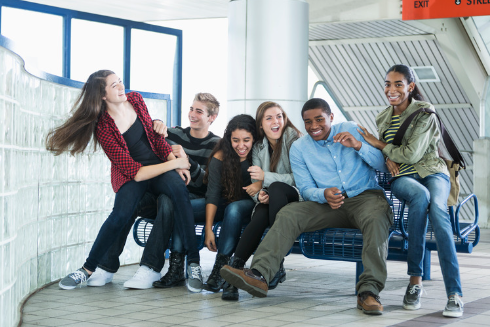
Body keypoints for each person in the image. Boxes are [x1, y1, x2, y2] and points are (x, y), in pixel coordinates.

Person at [221, 98, 393, 316]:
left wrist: (358, 146)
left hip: (365, 197)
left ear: (331, 117)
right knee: (290, 213)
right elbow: (305, 188)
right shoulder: (300, 148)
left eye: (319, 119)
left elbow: (382, 166)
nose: (313, 126)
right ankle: (260, 274)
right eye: (308, 122)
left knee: (376, 219)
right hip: (327, 204)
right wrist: (323, 194)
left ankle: (369, 291)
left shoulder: (351, 128)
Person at [45, 70, 202, 291]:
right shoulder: (103, 127)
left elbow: (156, 140)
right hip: (134, 175)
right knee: (119, 215)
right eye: (114, 85)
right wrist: (176, 164)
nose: (121, 87)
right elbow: (134, 172)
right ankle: (87, 269)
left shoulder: (135, 100)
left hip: (159, 167)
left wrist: (170, 158)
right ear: (102, 95)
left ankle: (193, 264)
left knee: (179, 192)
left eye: (120, 82)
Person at [357, 64, 464, 318]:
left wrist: (379, 143)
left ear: (410, 87)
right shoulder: (383, 117)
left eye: (398, 84)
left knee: (437, 210)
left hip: (433, 171)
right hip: (403, 176)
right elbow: (388, 156)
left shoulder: (425, 113)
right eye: (387, 84)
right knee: (420, 196)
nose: (391, 89)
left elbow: (411, 153)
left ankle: (454, 294)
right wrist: (384, 153)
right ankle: (415, 284)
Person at [86, 93, 221, 292]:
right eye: (191, 109)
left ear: (212, 118)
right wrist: (155, 123)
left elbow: (207, 185)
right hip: (158, 197)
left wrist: (188, 162)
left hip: (190, 201)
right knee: (129, 203)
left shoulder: (217, 146)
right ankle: (106, 267)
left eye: (199, 111)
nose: (192, 114)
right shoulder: (174, 134)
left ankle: (150, 267)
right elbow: (151, 138)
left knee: (168, 200)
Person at [221, 101, 302, 301]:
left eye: (279, 116)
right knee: (259, 216)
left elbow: (299, 179)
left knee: (275, 189)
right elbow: (256, 185)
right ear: (261, 125)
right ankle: (234, 273)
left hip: (297, 197)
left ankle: (276, 261)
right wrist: (260, 196)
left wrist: (266, 178)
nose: (276, 121)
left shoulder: (295, 141)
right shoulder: (259, 147)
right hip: (273, 199)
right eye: (269, 118)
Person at [201, 114, 258, 293]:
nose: (241, 146)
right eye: (236, 140)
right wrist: (209, 229)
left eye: (246, 140)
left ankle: (221, 268)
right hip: (224, 204)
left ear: (254, 138)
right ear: (229, 139)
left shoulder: (260, 154)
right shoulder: (221, 155)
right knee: (183, 206)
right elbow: (213, 194)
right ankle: (185, 264)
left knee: (233, 209)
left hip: (251, 207)